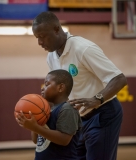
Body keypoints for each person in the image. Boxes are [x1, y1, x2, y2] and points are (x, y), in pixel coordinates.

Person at [32, 11, 128, 160]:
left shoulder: (83, 48)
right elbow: (60, 93)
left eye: (42, 36)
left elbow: (119, 79)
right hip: (78, 118)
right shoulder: (51, 57)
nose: (39, 42)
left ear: (57, 29)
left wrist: (97, 99)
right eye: (37, 38)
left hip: (103, 113)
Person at [16, 69, 81, 160]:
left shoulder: (67, 109)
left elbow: (64, 139)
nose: (42, 88)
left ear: (60, 88)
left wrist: (36, 127)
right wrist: (33, 124)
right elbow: (35, 141)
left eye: (47, 84)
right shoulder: (46, 109)